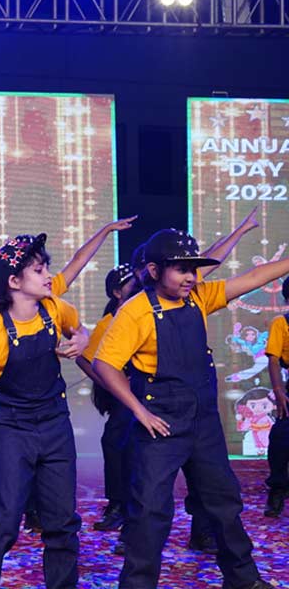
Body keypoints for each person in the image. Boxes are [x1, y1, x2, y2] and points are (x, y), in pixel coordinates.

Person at [93, 228, 282, 589]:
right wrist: (139, 411)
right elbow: (105, 364)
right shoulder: (135, 312)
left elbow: (255, 276)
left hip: (203, 423)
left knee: (224, 503)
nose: (191, 278)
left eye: (193, 270)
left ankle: (242, 579)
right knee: (149, 512)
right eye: (181, 270)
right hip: (161, 425)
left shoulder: (199, 298)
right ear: (154, 270)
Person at [0, 233, 89, 589]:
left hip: (55, 424)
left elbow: (79, 329)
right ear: (14, 282)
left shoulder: (55, 308)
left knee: (61, 522)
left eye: (46, 268)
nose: (48, 276)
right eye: (38, 270)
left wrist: (82, 339)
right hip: (11, 430)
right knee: (4, 521)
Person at [75, 263, 137, 536]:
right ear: (116, 292)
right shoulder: (109, 322)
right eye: (131, 284)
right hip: (125, 400)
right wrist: (113, 386)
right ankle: (117, 506)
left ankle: (133, 508)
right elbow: (83, 358)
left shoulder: (144, 313)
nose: (137, 287)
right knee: (115, 445)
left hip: (150, 395)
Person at [264, 276, 289, 517]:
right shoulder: (281, 322)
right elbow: (273, 359)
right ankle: (278, 489)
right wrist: (278, 390)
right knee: (281, 438)